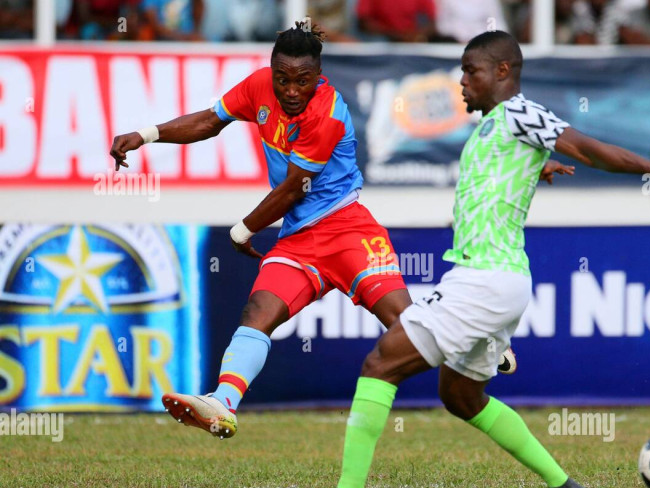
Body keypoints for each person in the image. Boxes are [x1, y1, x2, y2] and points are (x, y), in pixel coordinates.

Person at [307, 30, 650, 488]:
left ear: (503, 71)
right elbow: (502, 172)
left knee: (381, 363)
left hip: (483, 281)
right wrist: (537, 168)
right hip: (497, 282)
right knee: (461, 396)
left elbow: (589, 149)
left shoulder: (518, 112)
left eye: (471, 71)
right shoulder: (494, 126)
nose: (462, 81)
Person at [109, 22, 521, 439]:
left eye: (302, 81)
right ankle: (223, 403)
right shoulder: (257, 86)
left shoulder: (328, 111)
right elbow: (209, 121)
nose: (291, 90)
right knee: (258, 313)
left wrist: (242, 231)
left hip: (348, 230)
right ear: (272, 72)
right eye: (282, 79)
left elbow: (293, 188)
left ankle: (479, 342)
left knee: (402, 322)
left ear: (318, 75)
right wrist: (146, 135)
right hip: (298, 239)